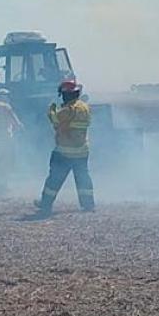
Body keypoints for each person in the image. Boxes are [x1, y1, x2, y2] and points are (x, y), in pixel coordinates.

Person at [33, 80, 94, 217]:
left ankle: (45, 204)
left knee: (54, 179)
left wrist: (51, 112)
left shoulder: (67, 110)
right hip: (82, 150)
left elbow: (57, 125)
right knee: (83, 177)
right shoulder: (85, 107)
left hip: (65, 151)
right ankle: (88, 204)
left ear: (65, 95)